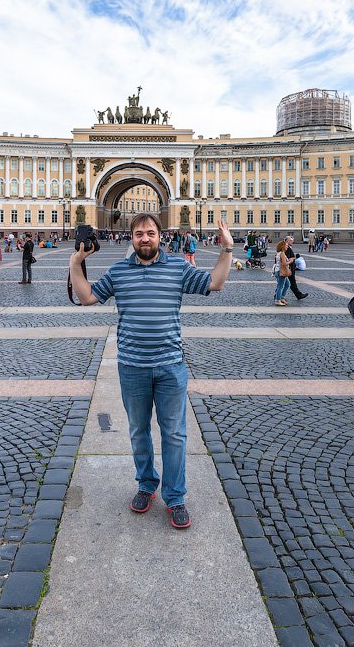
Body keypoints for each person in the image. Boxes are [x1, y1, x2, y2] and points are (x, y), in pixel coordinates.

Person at [68, 214, 235, 530]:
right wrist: (76, 263)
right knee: (138, 430)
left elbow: (215, 282)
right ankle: (147, 484)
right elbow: (87, 297)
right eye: (139, 234)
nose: (145, 239)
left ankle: (175, 498)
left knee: (174, 433)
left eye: (150, 233)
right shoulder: (118, 272)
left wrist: (227, 250)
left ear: (161, 236)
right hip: (132, 368)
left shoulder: (178, 268)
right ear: (131, 238)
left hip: (171, 366)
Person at [281, 236, 308, 302]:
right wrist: (291, 261)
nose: (292, 241)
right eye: (291, 240)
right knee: (286, 283)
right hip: (289, 269)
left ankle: (298, 295)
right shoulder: (286, 248)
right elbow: (286, 258)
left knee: (289, 283)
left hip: (290, 269)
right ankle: (278, 296)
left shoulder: (288, 247)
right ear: (287, 241)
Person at [273, 240, 291, 306]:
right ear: (283, 246)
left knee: (287, 284)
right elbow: (284, 263)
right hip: (281, 271)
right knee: (280, 286)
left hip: (278, 270)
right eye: (286, 246)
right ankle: (278, 300)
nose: (287, 247)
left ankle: (282, 297)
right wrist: (290, 261)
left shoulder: (278, 253)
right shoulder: (282, 254)